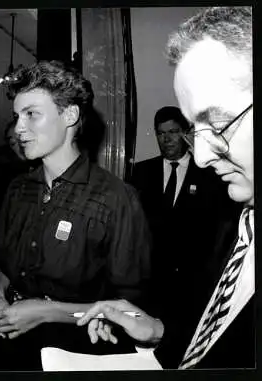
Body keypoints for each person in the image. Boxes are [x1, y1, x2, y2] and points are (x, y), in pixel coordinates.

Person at [78, 6, 254, 369]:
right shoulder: (244, 232)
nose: (202, 155)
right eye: (195, 128)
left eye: (219, 122)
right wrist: (159, 330)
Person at [0, 60, 152, 370]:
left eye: (32, 114)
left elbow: (130, 309)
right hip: (8, 345)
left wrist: (47, 311)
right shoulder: (18, 188)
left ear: (69, 115)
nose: (19, 128)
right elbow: (7, 265)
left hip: (71, 349)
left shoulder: (116, 198)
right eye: (17, 116)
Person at [130, 107, 239, 318]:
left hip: (192, 282)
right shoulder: (141, 173)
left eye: (172, 132)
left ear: (185, 133)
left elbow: (220, 229)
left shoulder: (210, 176)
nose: (166, 139)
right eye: (160, 133)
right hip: (148, 280)